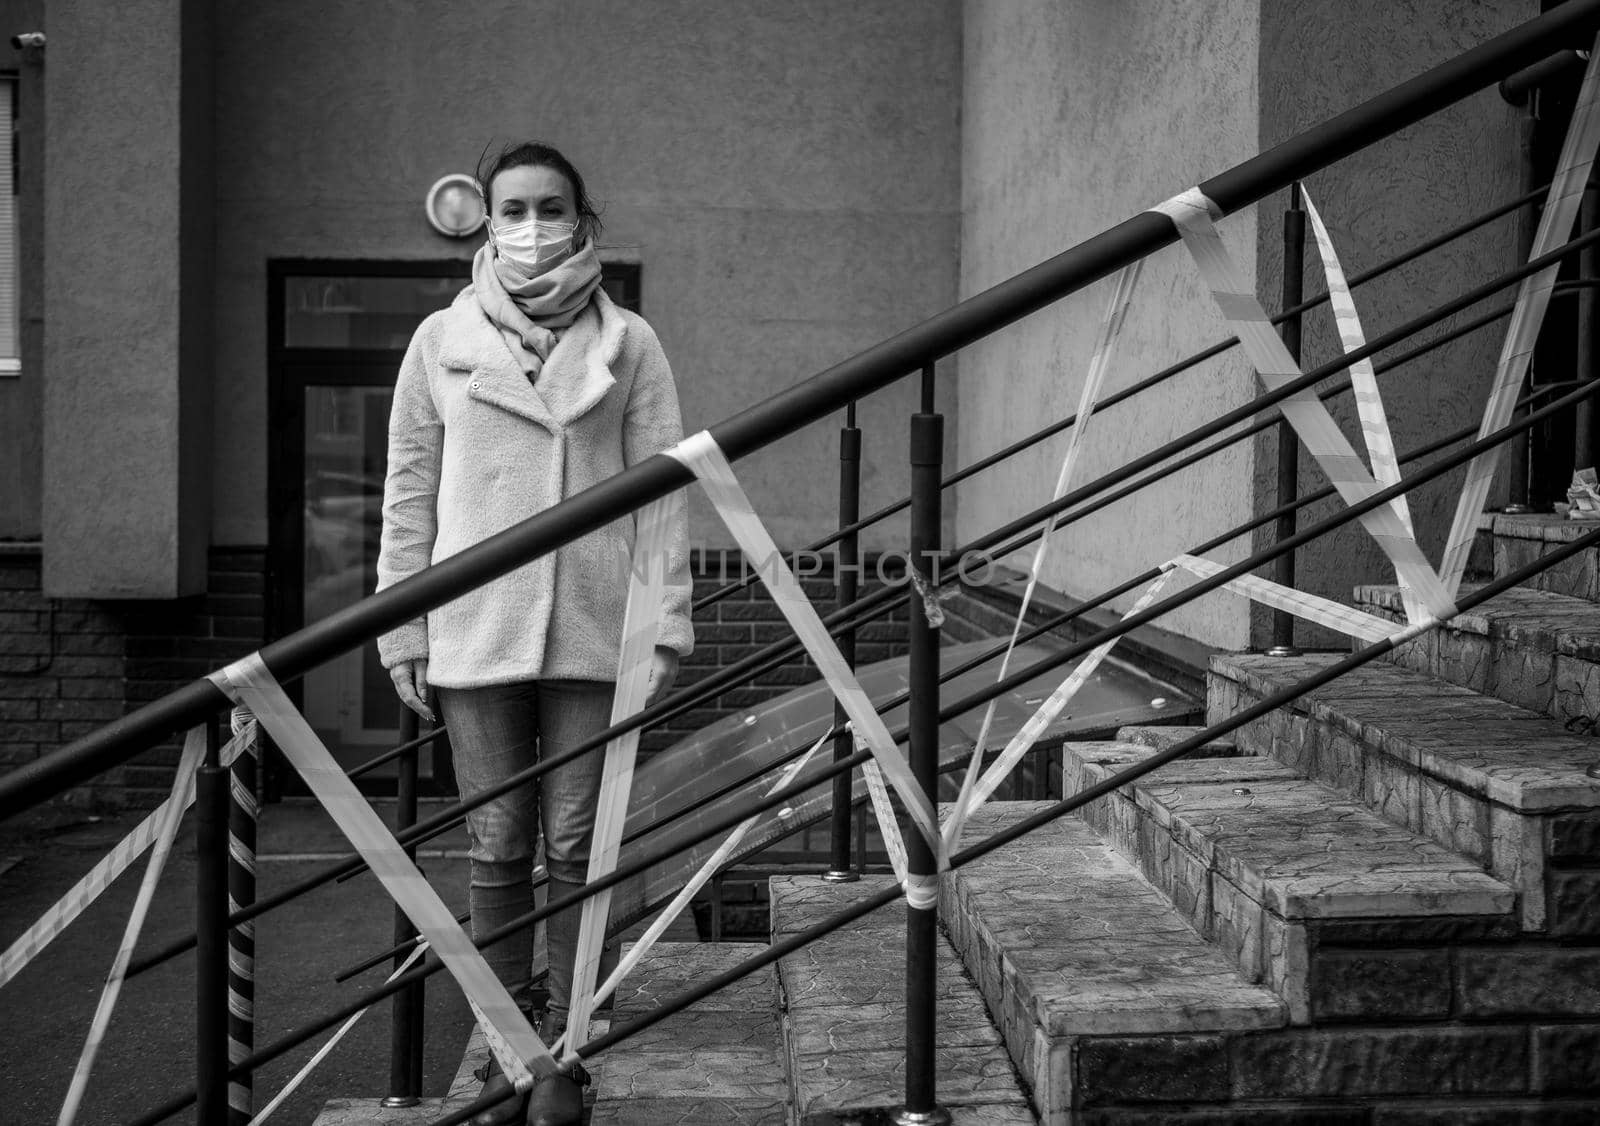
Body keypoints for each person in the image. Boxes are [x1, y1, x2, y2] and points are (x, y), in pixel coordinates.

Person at [376, 140, 693, 1126]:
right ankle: (505, 1049)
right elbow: (410, 490)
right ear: (486, 219)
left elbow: (664, 492)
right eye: (513, 207)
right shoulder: (439, 340)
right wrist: (401, 628)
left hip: (595, 627)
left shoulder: (630, 342)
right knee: (498, 838)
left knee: (572, 839)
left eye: (549, 206)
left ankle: (563, 1049)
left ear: (583, 218)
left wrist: (665, 625)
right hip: (473, 629)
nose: (531, 225)